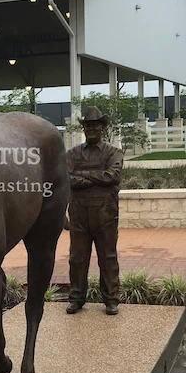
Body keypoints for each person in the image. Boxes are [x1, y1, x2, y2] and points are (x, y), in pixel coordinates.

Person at [66, 106, 123, 316]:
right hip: (79, 214)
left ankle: (111, 300)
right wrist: (97, 176)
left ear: (102, 128)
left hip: (106, 214)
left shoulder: (114, 152)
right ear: (84, 128)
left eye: (95, 125)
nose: (91, 128)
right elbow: (67, 180)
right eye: (88, 125)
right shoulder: (71, 154)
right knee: (77, 258)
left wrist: (82, 177)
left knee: (108, 257)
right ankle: (76, 298)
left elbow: (112, 177)